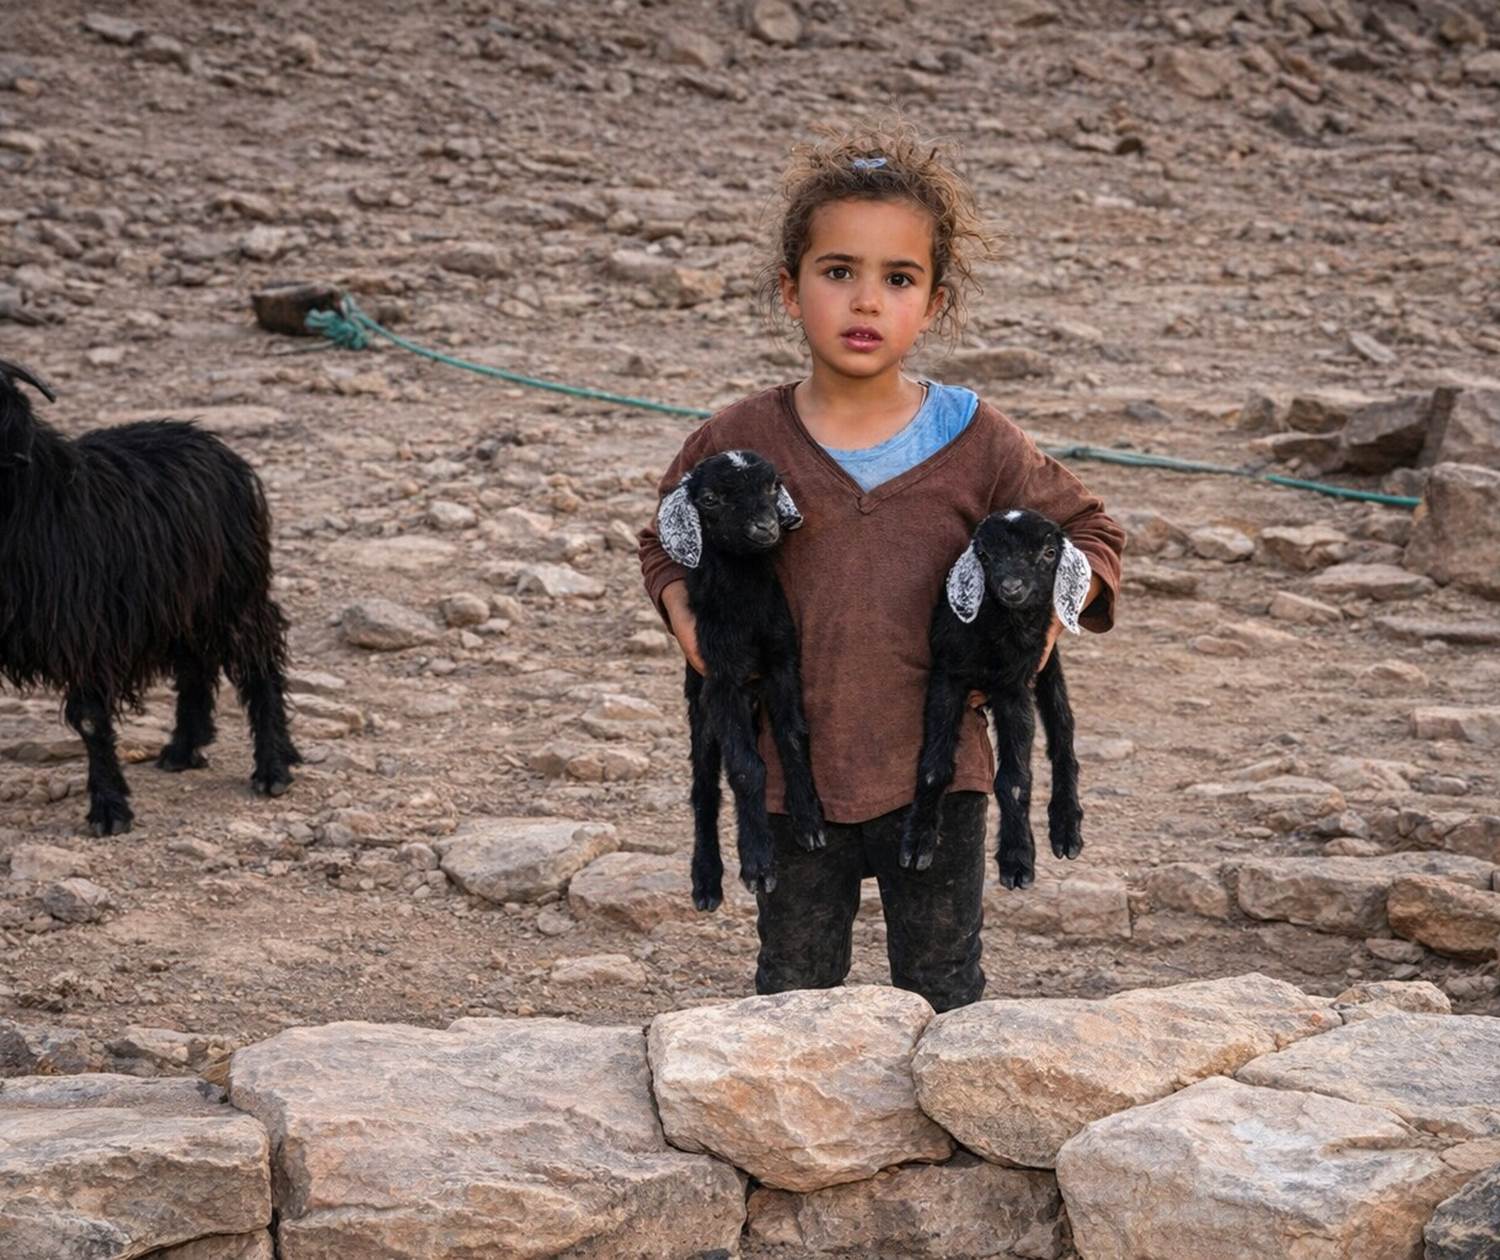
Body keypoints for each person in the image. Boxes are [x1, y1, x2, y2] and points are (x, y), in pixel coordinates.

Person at [637, 124, 1124, 1013]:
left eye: (898, 279)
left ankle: (951, 1144)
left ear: (933, 304)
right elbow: (665, 537)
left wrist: (1051, 615)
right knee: (793, 989)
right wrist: (685, 616)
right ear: (789, 290)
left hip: (938, 775)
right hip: (792, 777)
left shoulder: (980, 440)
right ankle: (786, 1149)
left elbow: (1089, 529)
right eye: (838, 272)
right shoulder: (739, 437)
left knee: (942, 989)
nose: (867, 301)